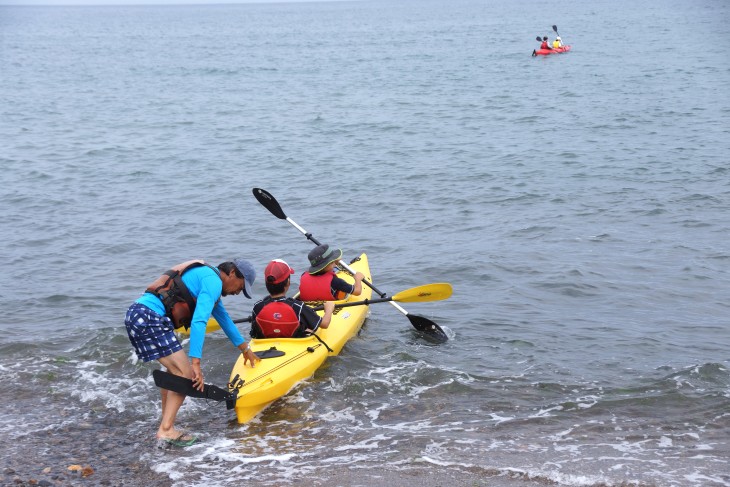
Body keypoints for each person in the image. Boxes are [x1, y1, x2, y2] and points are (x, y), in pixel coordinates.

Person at [124, 258, 260, 447]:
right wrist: (195, 363)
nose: (238, 292)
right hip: (150, 318)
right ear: (231, 273)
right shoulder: (213, 282)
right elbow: (199, 321)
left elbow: (224, 319)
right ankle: (166, 430)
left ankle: (166, 425)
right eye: (241, 286)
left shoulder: (208, 279)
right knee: (186, 375)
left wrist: (245, 349)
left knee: (174, 374)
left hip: (137, 314)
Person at [250, 259, 335, 338]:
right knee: (309, 329)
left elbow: (255, 332)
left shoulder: (258, 306)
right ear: (288, 282)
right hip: (294, 345)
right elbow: (324, 324)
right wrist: (329, 309)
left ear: (266, 283)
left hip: (264, 346)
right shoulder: (297, 307)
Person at [298, 244, 364, 302]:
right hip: (330, 309)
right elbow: (357, 291)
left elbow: (325, 272)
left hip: (309, 307)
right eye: (332, 262)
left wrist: (334, 262)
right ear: (325, 266)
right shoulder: (335, 281)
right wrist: (358, 279)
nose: (335, 264)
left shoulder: (304, 275)